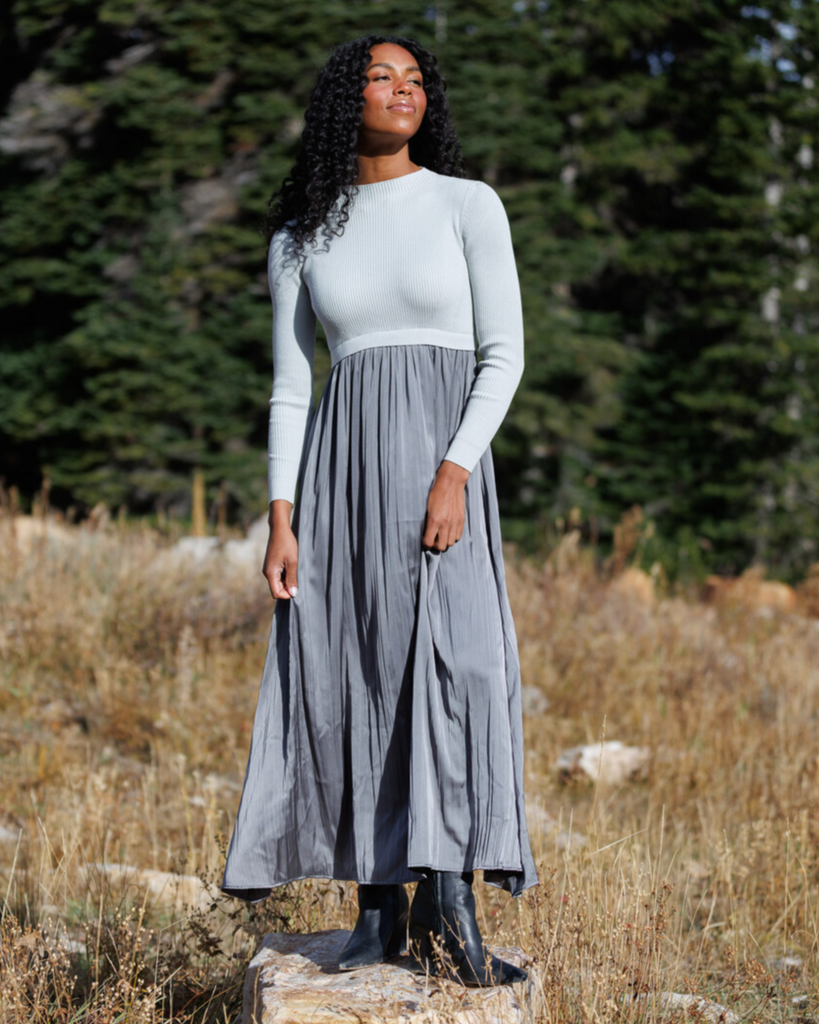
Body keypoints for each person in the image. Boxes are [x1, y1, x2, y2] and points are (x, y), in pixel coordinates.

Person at [220, 32, 539, 988]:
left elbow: (503, 354)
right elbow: (289, 388)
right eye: (379, 77)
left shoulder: (464, 203)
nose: (401, 91)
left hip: (441, 467)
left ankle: (452, 891)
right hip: (338, 479)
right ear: (342, 99)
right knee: (351, 672)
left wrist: (456, 468)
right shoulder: (301, 236)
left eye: (414, 80)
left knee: (467, 664)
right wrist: (281, 515)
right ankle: (378, 909)